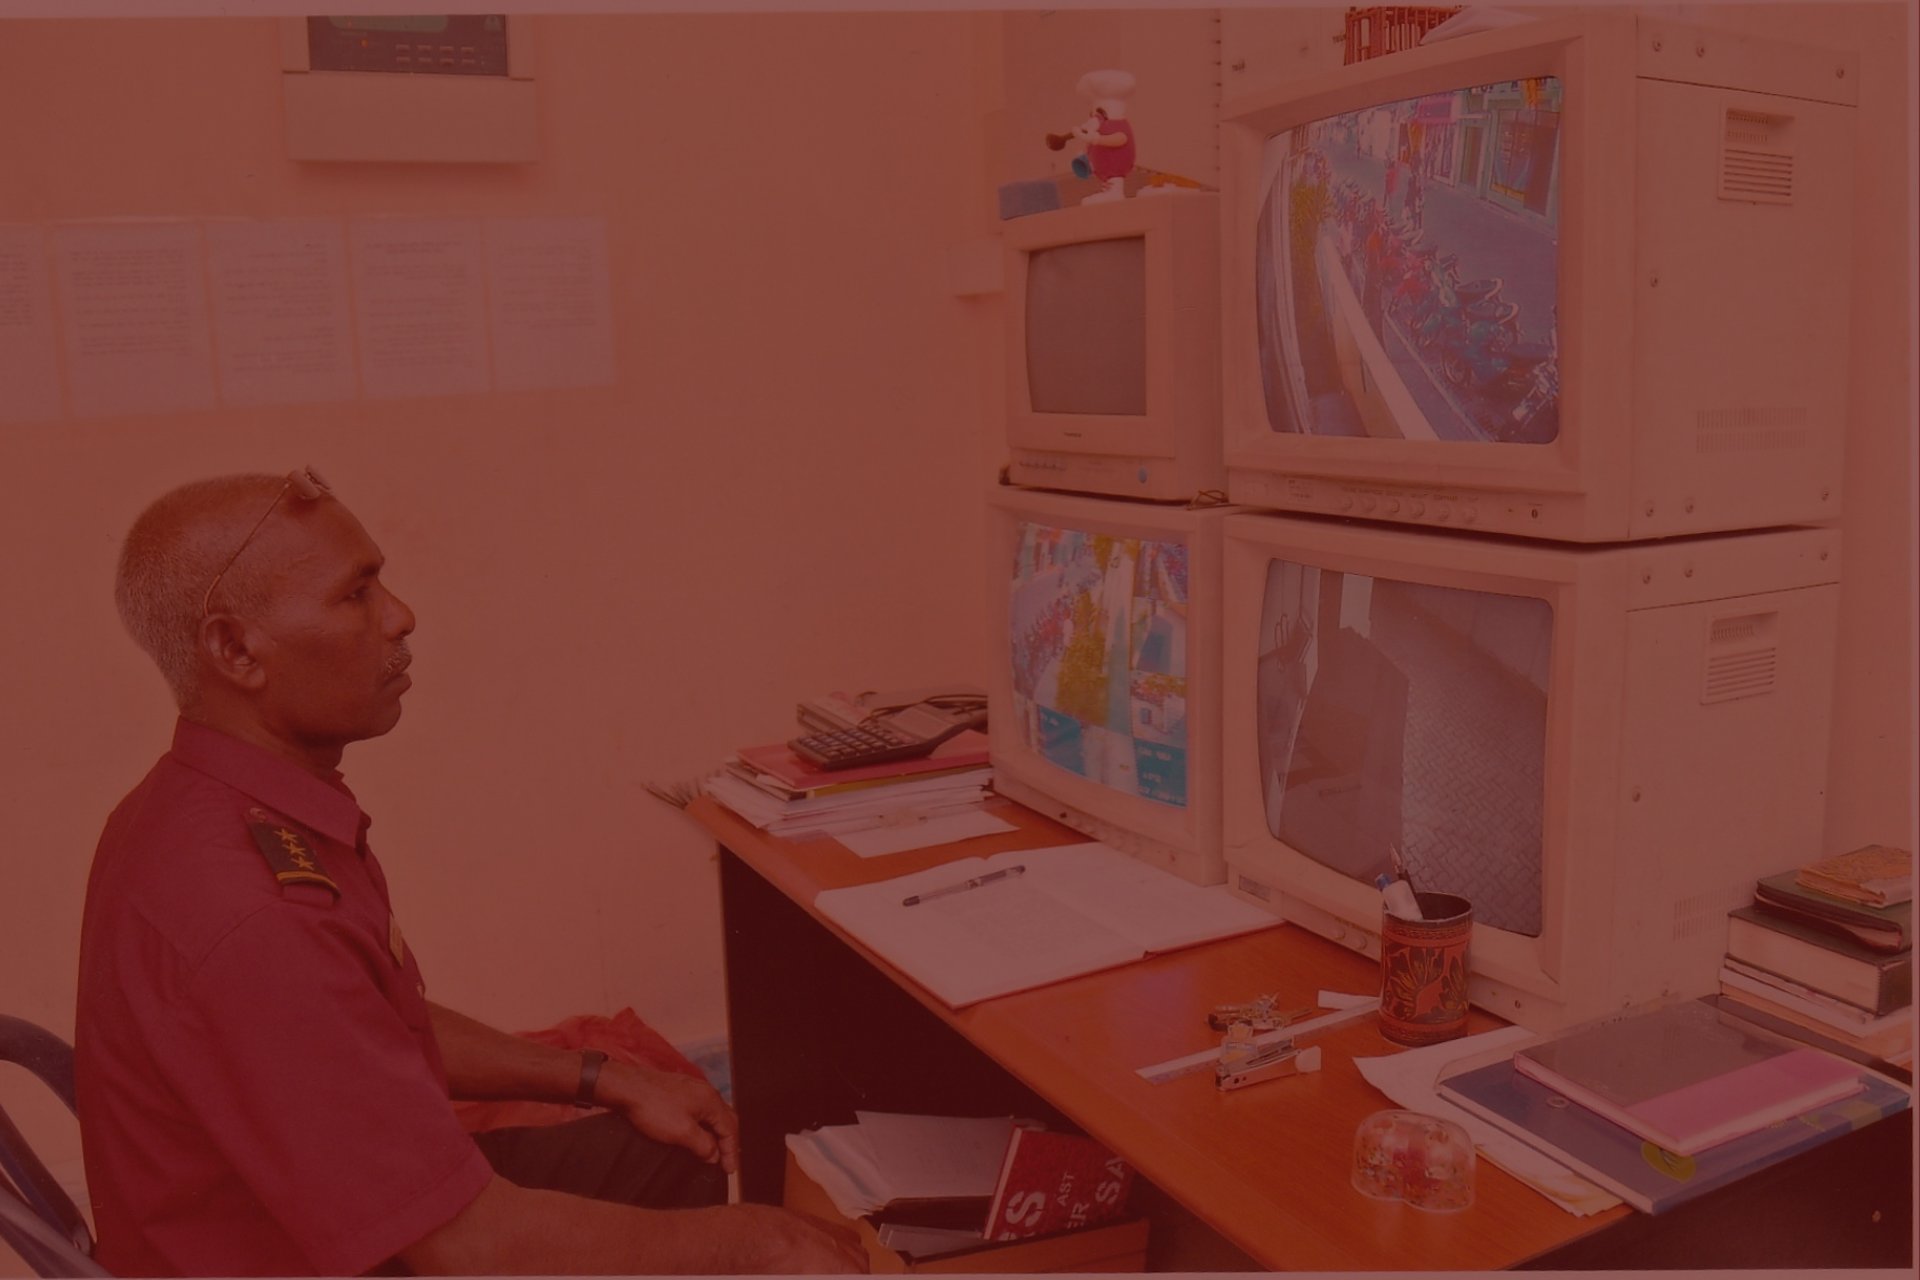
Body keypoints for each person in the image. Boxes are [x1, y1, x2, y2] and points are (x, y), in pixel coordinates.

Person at [75, 469, 869, 1277]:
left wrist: (603, 1077)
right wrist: (765, 1243)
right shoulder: (251, 914)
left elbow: (362, 1022)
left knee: (674, 1151)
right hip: (300, 1258)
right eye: (356, 596)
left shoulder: (197, 805)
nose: (400, 616)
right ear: (237, 649)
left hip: (300, 1218)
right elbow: (471, 1247)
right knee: (758, 1252)